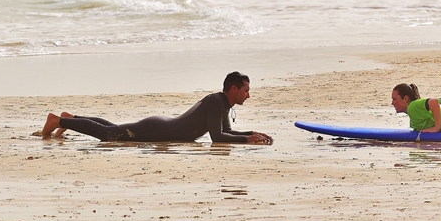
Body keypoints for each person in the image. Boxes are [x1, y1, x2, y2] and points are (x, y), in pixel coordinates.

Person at [41, 71, 273, 144]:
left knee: (115, 128)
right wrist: (246, 141)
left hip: (162, 126)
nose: (248, 95)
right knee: (110, 135)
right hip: (159, 129)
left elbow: (226, 132)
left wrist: (251, 134)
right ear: (233, 89)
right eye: (245, 90)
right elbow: (216, 137)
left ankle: (71, 117)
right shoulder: (216, 102)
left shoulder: (220, 103)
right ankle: (58, 121)